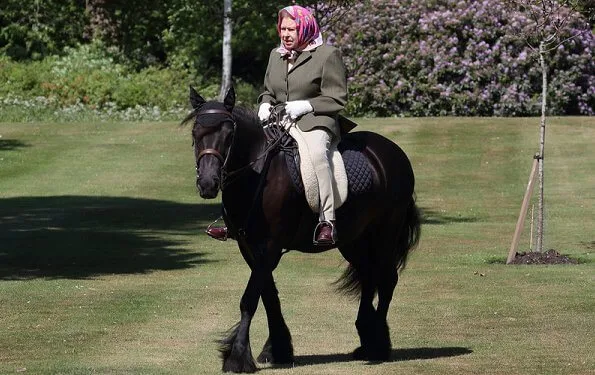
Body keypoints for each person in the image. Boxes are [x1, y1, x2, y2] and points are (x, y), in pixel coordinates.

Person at [207, 5, 350, 245]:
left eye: (291, 29)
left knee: (316, 156)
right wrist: (264, 103)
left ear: (304, 28)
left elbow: (337, 98)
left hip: (314, 121)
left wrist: (307, 106)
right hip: (279, 120)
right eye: (283, 29)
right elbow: (269, 92)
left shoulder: (327, 55)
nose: (285, 34)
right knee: (243, 152)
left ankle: (327, 221)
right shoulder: (277, 54)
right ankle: (232, 221)